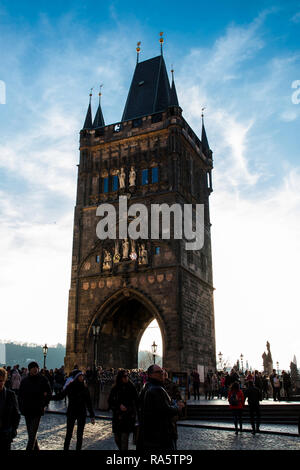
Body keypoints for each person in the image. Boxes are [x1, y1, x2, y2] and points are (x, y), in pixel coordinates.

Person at [139, 364, 184, 451]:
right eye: (158, 372)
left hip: (148, 434)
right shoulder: (157, 389)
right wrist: (177, 407)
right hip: (160, 434)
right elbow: (166, 410)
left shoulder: (146, 387)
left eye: (162, 371)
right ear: (151, 374)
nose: (162, 373)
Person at [51, 369, 95, 451]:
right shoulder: (70, 386)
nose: (82, 377)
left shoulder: (84, 387)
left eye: (82, 376)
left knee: (80, 435)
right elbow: (61, 396)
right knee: (69, 434)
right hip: (72, 412)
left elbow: (88, 402)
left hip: (82, 413)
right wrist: (50, 398)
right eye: (80, 376)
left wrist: (92, 415)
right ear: (76, 377)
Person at [18, 361, 52, 451]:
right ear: (30, 370)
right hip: (27, 410)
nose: (35, 369)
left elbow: (49, 393)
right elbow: (20, 395)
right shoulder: (25, 380)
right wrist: (21, 407)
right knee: (31, 434)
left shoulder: (43, 379)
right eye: (33, 368)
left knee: (32, 434)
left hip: (37, 409)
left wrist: (44, 404)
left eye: (36, 368)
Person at [108, 369, 139, 451]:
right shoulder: (115, 388)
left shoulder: (131, 387)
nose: (126, 378)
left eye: (127, 376)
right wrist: (118, 406)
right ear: (120, 378)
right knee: (117, 439)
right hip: (117, 417)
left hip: (128, 417)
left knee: (124, 440)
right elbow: (110, 401)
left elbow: (136, 400)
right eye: (124, 376)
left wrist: (131, 410)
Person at [0, 368, 21, 451]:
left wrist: (13, 430)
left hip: (6, 433)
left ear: (4, 380)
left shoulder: (10, 395)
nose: (0, 383)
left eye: (1, 380)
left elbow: (16, 414)